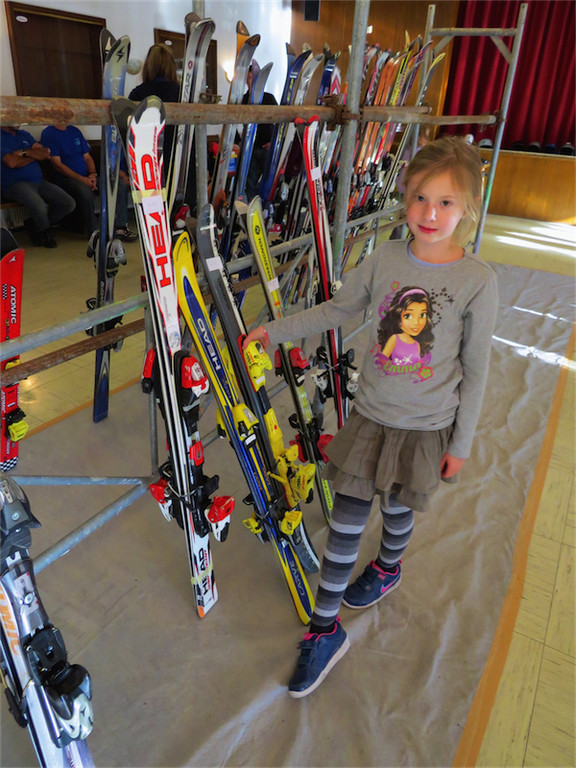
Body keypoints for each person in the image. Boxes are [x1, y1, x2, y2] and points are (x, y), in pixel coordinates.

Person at [243, 136, 499, 698]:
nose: (429, 213)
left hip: (427, 428)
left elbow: (476, 371)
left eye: (446, 202)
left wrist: (461, 445)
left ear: (467, 209)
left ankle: (387, 567)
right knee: (346, 519)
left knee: (398, 506)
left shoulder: (478, 281)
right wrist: (273, 331)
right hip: (371, 416)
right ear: (406, 197)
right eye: (420, 197)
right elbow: (338, 309)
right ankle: (324, 630)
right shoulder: (383, 259)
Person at [40, 124, 137, 242]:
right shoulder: (49, 133)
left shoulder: (74, 131)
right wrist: (83, 179)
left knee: (118, 184)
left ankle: (121, 227)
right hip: (66, 179)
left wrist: (92, 175)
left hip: (87, 176)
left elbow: (87, 158)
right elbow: (58, 165)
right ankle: (93, 232)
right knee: (85, 192)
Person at [1, 126, 76, 248]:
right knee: (39, 205)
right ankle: (44, 232)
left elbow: (46, 153)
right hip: (15, 184)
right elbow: (12, 163)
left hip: (38, 181)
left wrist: (24, 153)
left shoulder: (24, 134)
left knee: (68, 203)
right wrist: (33, 154)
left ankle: (34, 224)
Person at [241, 64, 277, 199]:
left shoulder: (269, 98)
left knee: (268, 182)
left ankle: (266, 206)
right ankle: (253, 206)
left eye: (254, 78)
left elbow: (279, 123)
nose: (251, 81)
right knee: (250, 183)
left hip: (266, 147)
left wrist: (273, 142)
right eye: (249, 78)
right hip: (250, 149)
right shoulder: (243, 100)